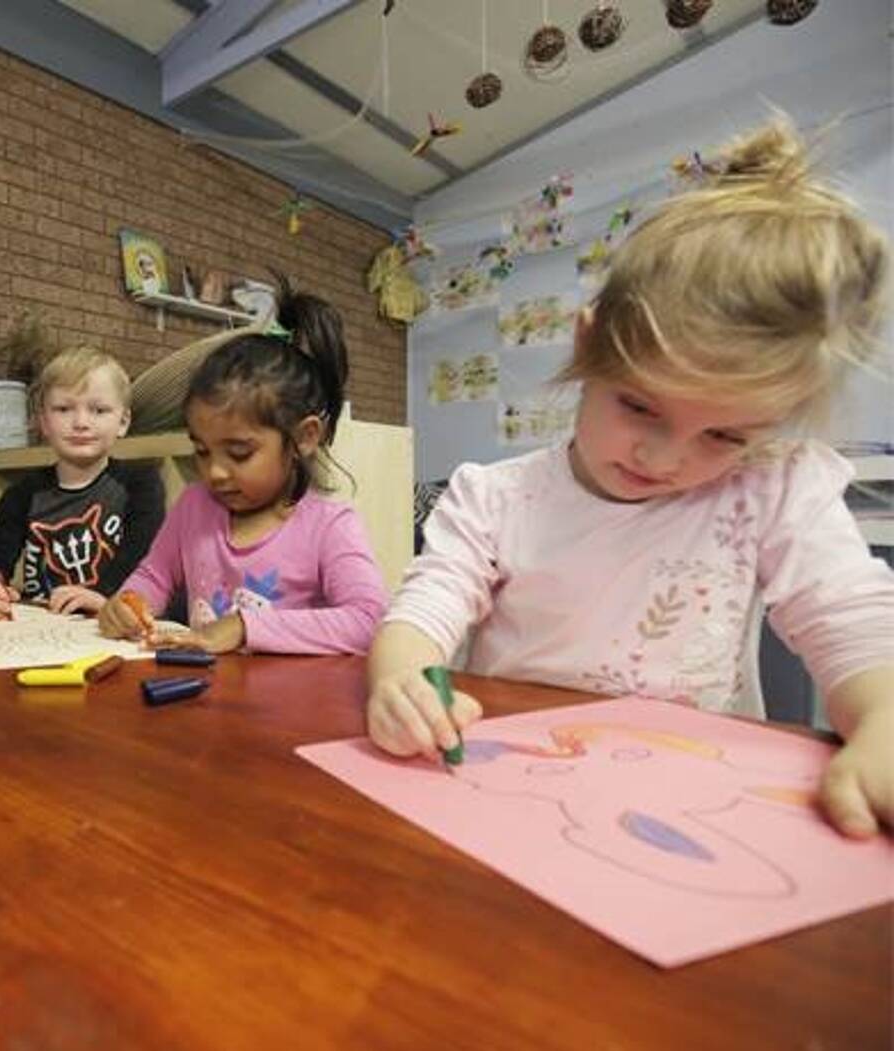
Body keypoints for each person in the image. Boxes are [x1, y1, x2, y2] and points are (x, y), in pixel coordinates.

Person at [363, 119, 894, 838]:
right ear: (588, 344)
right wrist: (399, 682)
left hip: (691, 801)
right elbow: (423, 612)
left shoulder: (773, 488)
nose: (666, 457)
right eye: (639, 405)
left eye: (725, 435)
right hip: (515, 790)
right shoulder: (494, 497)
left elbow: (854, 629)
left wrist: (883, 730)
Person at [98, 279, 389, 654]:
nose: (215, 473)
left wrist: (243, 627)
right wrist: (128, 604)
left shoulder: (330, 526)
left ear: (304, 438)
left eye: (238, 454)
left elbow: (369, 621)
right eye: (202, 452)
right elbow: (153, 576)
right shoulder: (193, 507)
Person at [0, 347, 164, 620]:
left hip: (115, 627)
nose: (81, 422)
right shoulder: (21, 495)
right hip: (46, 631)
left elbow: (145, 558)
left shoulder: (141, 484)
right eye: (63, 409)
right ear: (44, 422)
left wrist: (104, 594)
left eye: (99, 410)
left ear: (123, 421)